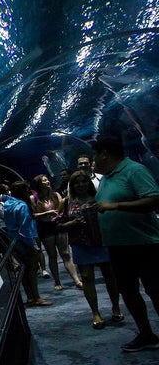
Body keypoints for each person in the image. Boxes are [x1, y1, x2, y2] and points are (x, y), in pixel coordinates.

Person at [93, 136, 159, 352]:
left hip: (143, 243)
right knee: (129, 291)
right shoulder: (105, 179)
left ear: (104, 153)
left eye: (96, 155)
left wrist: (116, 206)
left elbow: (153, 199)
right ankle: (146, 334)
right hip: (118, 246)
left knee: (156, 289)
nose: (94, 159)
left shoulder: (134, 170)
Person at [57, 171, 122, 329]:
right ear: (72, 185)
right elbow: (58, 224)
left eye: (84, 181)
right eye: (77, 182)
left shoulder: (99, 198)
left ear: (89, 183)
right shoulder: (67, 202)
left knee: (110, 277)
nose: (81, 185)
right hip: (80, 244)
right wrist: (72, 224)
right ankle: (95, 313)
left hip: (103, 242)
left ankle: (116, 307)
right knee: (86, 277)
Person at [3, 181, 52, 307]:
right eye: (26, 190)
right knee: (32, 271)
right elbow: (25, 229)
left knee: (24, 271)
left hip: (14, 241)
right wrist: (33, 245)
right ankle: (37, 297)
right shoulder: (23, 206)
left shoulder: (8, 204)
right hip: (25, 241)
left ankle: (30, 297)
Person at [32, 174, 83, 291]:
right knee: (52, 255)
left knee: (65, 253)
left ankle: (76, 280)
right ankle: (57, 280)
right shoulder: (34, 198)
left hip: (58, 225)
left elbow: (60, 209)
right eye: (44, 180)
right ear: (39, 184)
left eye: (47, 179)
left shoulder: (56, 195)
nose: (47, 181)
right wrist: (46, 214)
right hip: (45, 228)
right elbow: (33, 215)